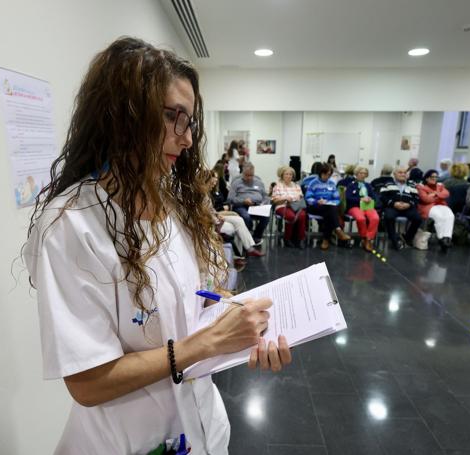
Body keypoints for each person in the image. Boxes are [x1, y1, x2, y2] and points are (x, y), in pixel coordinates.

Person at [22, 38, 291, 455]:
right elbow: (87, 382)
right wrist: (208, 343)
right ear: (120, 114)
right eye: (172, 117)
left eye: (190, 122)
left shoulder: (173, 202)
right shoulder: (73, 224)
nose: (185, 140)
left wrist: (230, 313)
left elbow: (189, 299)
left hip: (202, 426)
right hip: (128, 441)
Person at [208, 170, 264, 258]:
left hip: (217, 214)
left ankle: (248, 249)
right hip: (214, 217)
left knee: (239, 220)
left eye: (216, 178)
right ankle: (239, 254)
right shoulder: (205, 193)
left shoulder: (215, 190)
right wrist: (218, 215)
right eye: (213, 178)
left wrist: (217, 214)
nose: (215, 180)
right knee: (240, 221)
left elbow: (211, 209)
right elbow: (208, 211)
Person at [305, 162, 351, 250]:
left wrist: (329, 201)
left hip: (328, 206)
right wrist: (317, 201)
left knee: (329, 212)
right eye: (325, 174)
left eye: (329, 175)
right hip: (315, 206)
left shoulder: (332, 183)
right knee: (331, 211)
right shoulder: (313, 183)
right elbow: (308, 198)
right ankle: (336, 231)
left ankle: (326, 240)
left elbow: (337, 199)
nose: (327, 176)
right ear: (320, 173)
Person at [380, 166, 422, 250]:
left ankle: (407, 237)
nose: (403, 174)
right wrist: (393, 203)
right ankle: (394, 240)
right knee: (389, 217)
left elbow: (416, 198)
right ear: (394, 174)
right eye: (400, 172)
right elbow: (383, 197)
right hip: (392, 207)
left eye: (404, 173)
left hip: (408, 207)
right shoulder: (388, 183)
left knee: (418, 218)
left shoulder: (411, 184)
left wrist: (409, 204)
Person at [228, 162, 270, 244]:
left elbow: (265, 196)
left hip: (257, 206)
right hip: (241, 206)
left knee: (266, 216)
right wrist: (243, 201)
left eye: (251, 175)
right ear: (243, 174)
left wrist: (264, 203)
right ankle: (247, 237)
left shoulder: (259, 182)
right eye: (247, 175)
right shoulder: (236, 183)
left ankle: (257, 236)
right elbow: (230, 198)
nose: (249, 177)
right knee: (246, 217)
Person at [417, 169, 454, 252]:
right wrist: (439, 196)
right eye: (432, 177)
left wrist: (435, 194)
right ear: (426, 178)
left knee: (450, 216)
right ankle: (442, 239)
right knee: (439, 217)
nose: (434, 178)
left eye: (436, 177)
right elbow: (426, 199)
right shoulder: (421, 187)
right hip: (428, 207)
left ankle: (447, 238)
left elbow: (446, 194)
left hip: (441, 205)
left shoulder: (440, 185)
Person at [344, 166, 379, 252]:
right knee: (360, 218)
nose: (363, 175)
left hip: (367, 206)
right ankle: (364, 238)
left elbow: (374, 197)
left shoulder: (368, 185)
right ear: (356, 174)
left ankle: (368, 239)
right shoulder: (351, 185)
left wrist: (371, 199)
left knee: (375, 218)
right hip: (355, 206)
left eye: (365, 173)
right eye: (361, 173)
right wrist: (360, 199)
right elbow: (348, 198)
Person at [271, 166, 307, 248]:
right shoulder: (278, 186)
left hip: (296, 206)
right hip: (282, 206)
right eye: (286, 174)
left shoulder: (296, 186)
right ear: (282, 175)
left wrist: (292, 199)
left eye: (290, 174)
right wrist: (285, 199)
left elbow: (300, 197)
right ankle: (287, 238)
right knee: (291, 216)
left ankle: (301, 239)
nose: (289, 176)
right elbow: (274, 201)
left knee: (302, 215)